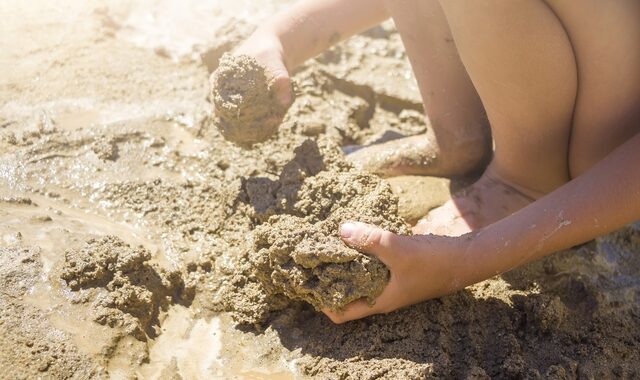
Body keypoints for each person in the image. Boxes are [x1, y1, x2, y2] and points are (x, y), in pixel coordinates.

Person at [232, 0, 640, 323]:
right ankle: (454, 132)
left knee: (581, 159)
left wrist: (467, 260)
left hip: (607, 140)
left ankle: (530, 176)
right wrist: (281, 37)